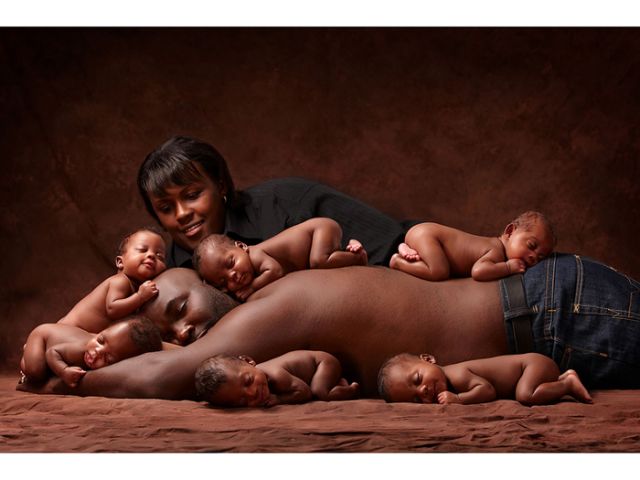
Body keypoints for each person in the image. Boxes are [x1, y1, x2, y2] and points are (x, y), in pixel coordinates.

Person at [17, 253, 640, 399]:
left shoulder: (273, 307)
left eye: (181, 309)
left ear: (210, 286)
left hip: (556, 313)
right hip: (550, 306)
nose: (183, 334)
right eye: (170, 328)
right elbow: (155, 353)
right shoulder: (278, 314)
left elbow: (156, 375)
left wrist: (59, 358)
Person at [137, 135, 411, 268]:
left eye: (192, 195)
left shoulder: (288, 201)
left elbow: (391, 242)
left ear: (220, 184)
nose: (182, 214)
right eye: (165, 208)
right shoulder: (163, 271)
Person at [193, 218, 367, 301]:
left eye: (231, 264)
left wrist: (252, 287)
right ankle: (347, 252)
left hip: (319, 229)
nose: (233, 275)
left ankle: (357, 256)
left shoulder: (256, 254)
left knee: (318, 262)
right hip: (315, 240)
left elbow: (275, 270)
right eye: (223, 281)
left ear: (241, 247)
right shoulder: (249, 265)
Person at [389, 211, 555, 281]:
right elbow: (478, 272)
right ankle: (398, 261)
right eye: (531, 245)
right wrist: (508, 268)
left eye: (541, 257)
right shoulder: (495, 251)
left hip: (422, 233)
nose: (534, 257)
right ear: (510, 232)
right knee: (439, 271)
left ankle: (408, 249)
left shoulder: (492, 246)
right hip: (430, 236)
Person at [376, 352, 592, 405]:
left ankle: (567, 384)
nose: (422, 391)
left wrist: (459, 399)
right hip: (535, 370)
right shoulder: (449, 379)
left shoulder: (457, 375)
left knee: (525, 395)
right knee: (525, 391)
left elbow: (487, 390)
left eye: (417, 379)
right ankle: (562, 378)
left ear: (428, 359)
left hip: (533, 365)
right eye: (415, 400)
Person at [57, 228, 167, 333]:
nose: (151, 255)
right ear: (120, 262)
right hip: (70, 329)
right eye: (142, 250)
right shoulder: (120, 281)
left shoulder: (136, 287)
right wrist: (140, 297)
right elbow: (113, 309)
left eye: (160, 256)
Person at [20, 316, 162, 387]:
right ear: (100, 332)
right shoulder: (80, 349)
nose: (96, 352)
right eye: (100, 340)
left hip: (57, 348)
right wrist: (63, 371)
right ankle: (28, 352)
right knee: (36, 373)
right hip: (43, 338)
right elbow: (53, 352)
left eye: (108, 358)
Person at [195, 350, 359, 407]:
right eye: (242, 401)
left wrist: (279, 399)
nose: (252, 394)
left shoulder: (276, 375)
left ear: (249, 362)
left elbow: (304, 391)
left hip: (322, 363)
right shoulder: (259, 380)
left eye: (248, 381)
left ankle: (349, 388)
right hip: (313, 372)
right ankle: (335, 383)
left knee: (319, 392)